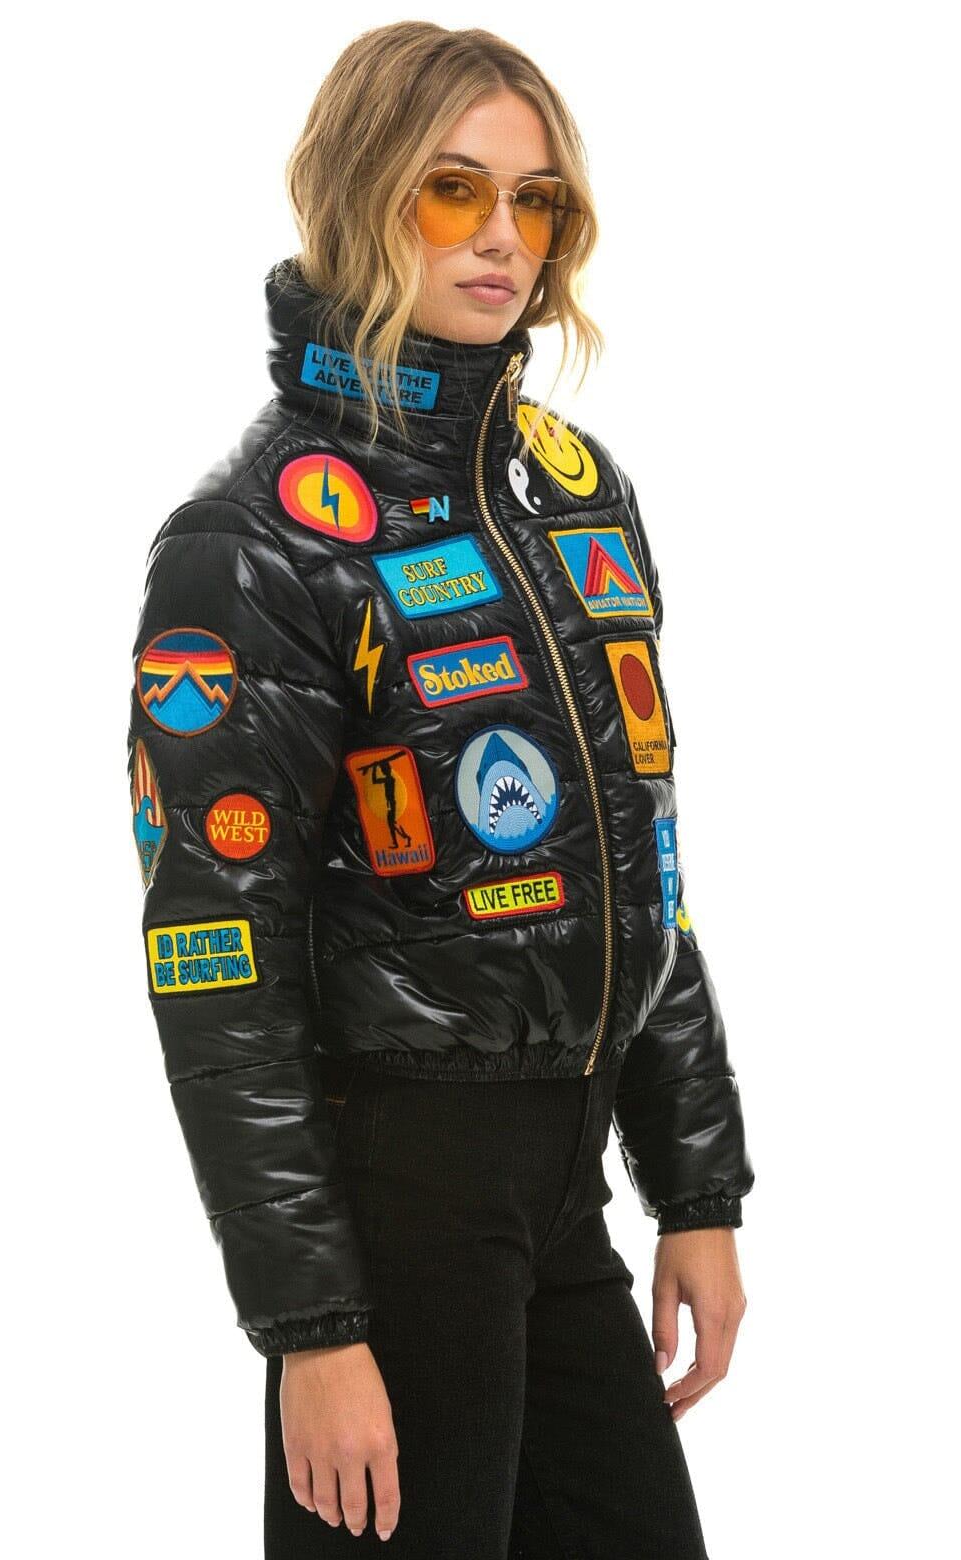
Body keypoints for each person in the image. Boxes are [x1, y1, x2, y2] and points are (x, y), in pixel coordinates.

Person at [126, 21, 755, 1558]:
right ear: (361, 195)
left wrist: (696, 1187)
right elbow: (217, 961)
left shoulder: (576, 495)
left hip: (565, 1189)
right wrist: (313, 1328)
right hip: (397, 1199)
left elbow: (641, 859)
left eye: (536, 202)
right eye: (452, 190)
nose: (502, 239)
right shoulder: (253, 543)